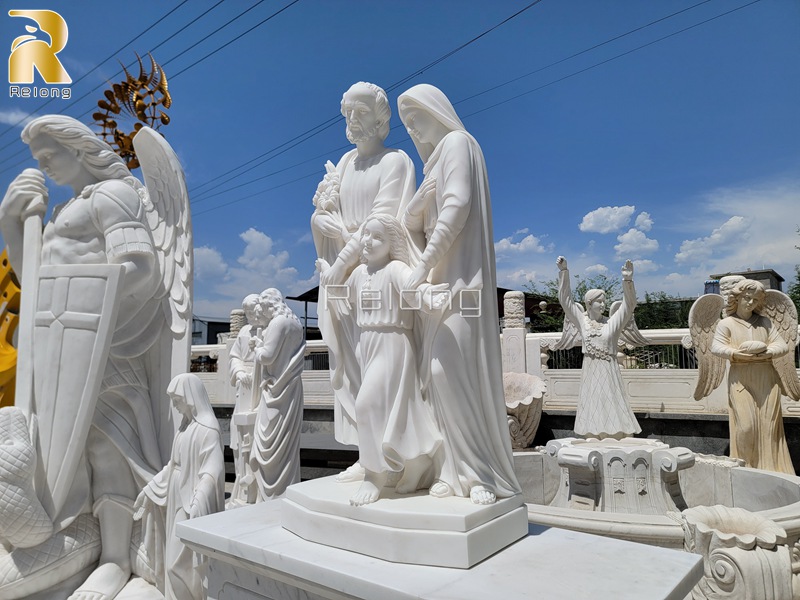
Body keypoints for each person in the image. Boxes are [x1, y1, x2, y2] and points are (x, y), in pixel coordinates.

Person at [0, 115, 189, 599]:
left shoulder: (112, 195)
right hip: (62, 347)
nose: (43, 166)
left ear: (78, 150)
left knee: (109, 450)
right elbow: (35, 280)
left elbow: (140, 266)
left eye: (48, 156)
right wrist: (12, 222)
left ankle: (115, 558)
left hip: (108, 344)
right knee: (61, 452)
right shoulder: (64, 208)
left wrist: (89, 299)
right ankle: (73, 538)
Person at [397, 84, 520, 505]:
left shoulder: (457, 142)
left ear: (437, 112)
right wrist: (419, 198)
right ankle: (451, 467)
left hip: (458, 283)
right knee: (434, 377)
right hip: (435, 288)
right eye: (406, 123)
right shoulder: (433, 165)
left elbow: (457, 206)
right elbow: (409, 223)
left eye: (415, 118)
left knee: (456, 373)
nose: (411, 129)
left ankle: (479, 470)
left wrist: (421, 266)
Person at [311, 81, 416, 481]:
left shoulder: (396, 162)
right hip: (345, 283)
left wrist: (341, 262)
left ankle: (395, 458)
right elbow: (326, 214)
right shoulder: (343, 164)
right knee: (351, 368)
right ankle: (365, 454)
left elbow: (382, 222)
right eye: (347, 113)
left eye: (360, 113)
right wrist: (322, 222)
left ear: (380, 118)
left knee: (381, 375)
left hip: (376, 274)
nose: (352, 121)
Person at [322, 213, 442, 506]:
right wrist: (327, 274)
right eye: (366, 234)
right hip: (368, 344)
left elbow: (414, 289)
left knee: (367, 405)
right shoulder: (360, 275)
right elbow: (342, 299)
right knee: (399, 409)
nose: (368, 241)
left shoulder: (396, 269)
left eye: (378, 237)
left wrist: (428, 296)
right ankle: (417, 462)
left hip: (394, 343)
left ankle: (373, 475)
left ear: (392, 244)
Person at [134, 373, 225, 600]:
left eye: (177, 399)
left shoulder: (208, 429)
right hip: (176, 496)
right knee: (171, 557)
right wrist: (150, 488)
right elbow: (172, 466)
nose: (174, 405)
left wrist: (199, 500)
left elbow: (211, 471)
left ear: (190, 397)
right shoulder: (184, 428)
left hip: (191, 500)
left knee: (179, 561)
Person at [711, 280, 794, 473]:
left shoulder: (765, 322)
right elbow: (716, 347)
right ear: (737, 297)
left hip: (766, 376)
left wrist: (768, 352)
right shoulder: (727, 323)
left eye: (755, 300)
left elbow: (782, 345)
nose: (750, 303)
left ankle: (771, 469)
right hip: (741, 377)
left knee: (769, 427)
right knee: (746, 426)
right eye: (747, 298)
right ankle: (746, 469)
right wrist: (734, 354)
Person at [556, 256, 642, 439]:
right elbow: (565, 301)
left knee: (611, 400)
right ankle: (592, 434)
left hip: (609, 370)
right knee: (592, 401)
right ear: (589, 303)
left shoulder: (611, 324)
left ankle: (617, 433)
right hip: (590, 370)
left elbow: (629, 305)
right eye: (599, 301)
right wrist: (564, 272)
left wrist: (628, 281)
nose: (603, 304)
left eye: (604, 301)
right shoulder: (582, 321)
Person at [249, 288, 306, 500]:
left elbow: (267, 356)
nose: (261, 313)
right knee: (287, 447)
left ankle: (272, 493)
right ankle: (286, 488)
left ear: (268, 304)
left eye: (262, 309)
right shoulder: (295, 323)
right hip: (291, 387)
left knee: (270, 446)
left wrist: (256, 346)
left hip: (276, 391)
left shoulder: (278, 322)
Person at [227, 293, 260, 505]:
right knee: (239, 437)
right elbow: (234, 356)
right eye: (246, 312)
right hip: (243, 387)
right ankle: (241, 480)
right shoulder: (245, 331)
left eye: (252, 311)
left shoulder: (270, 329)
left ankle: (256, 486)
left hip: (259, 385)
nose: (249, 316)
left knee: (255, 434)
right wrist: (239, 372)